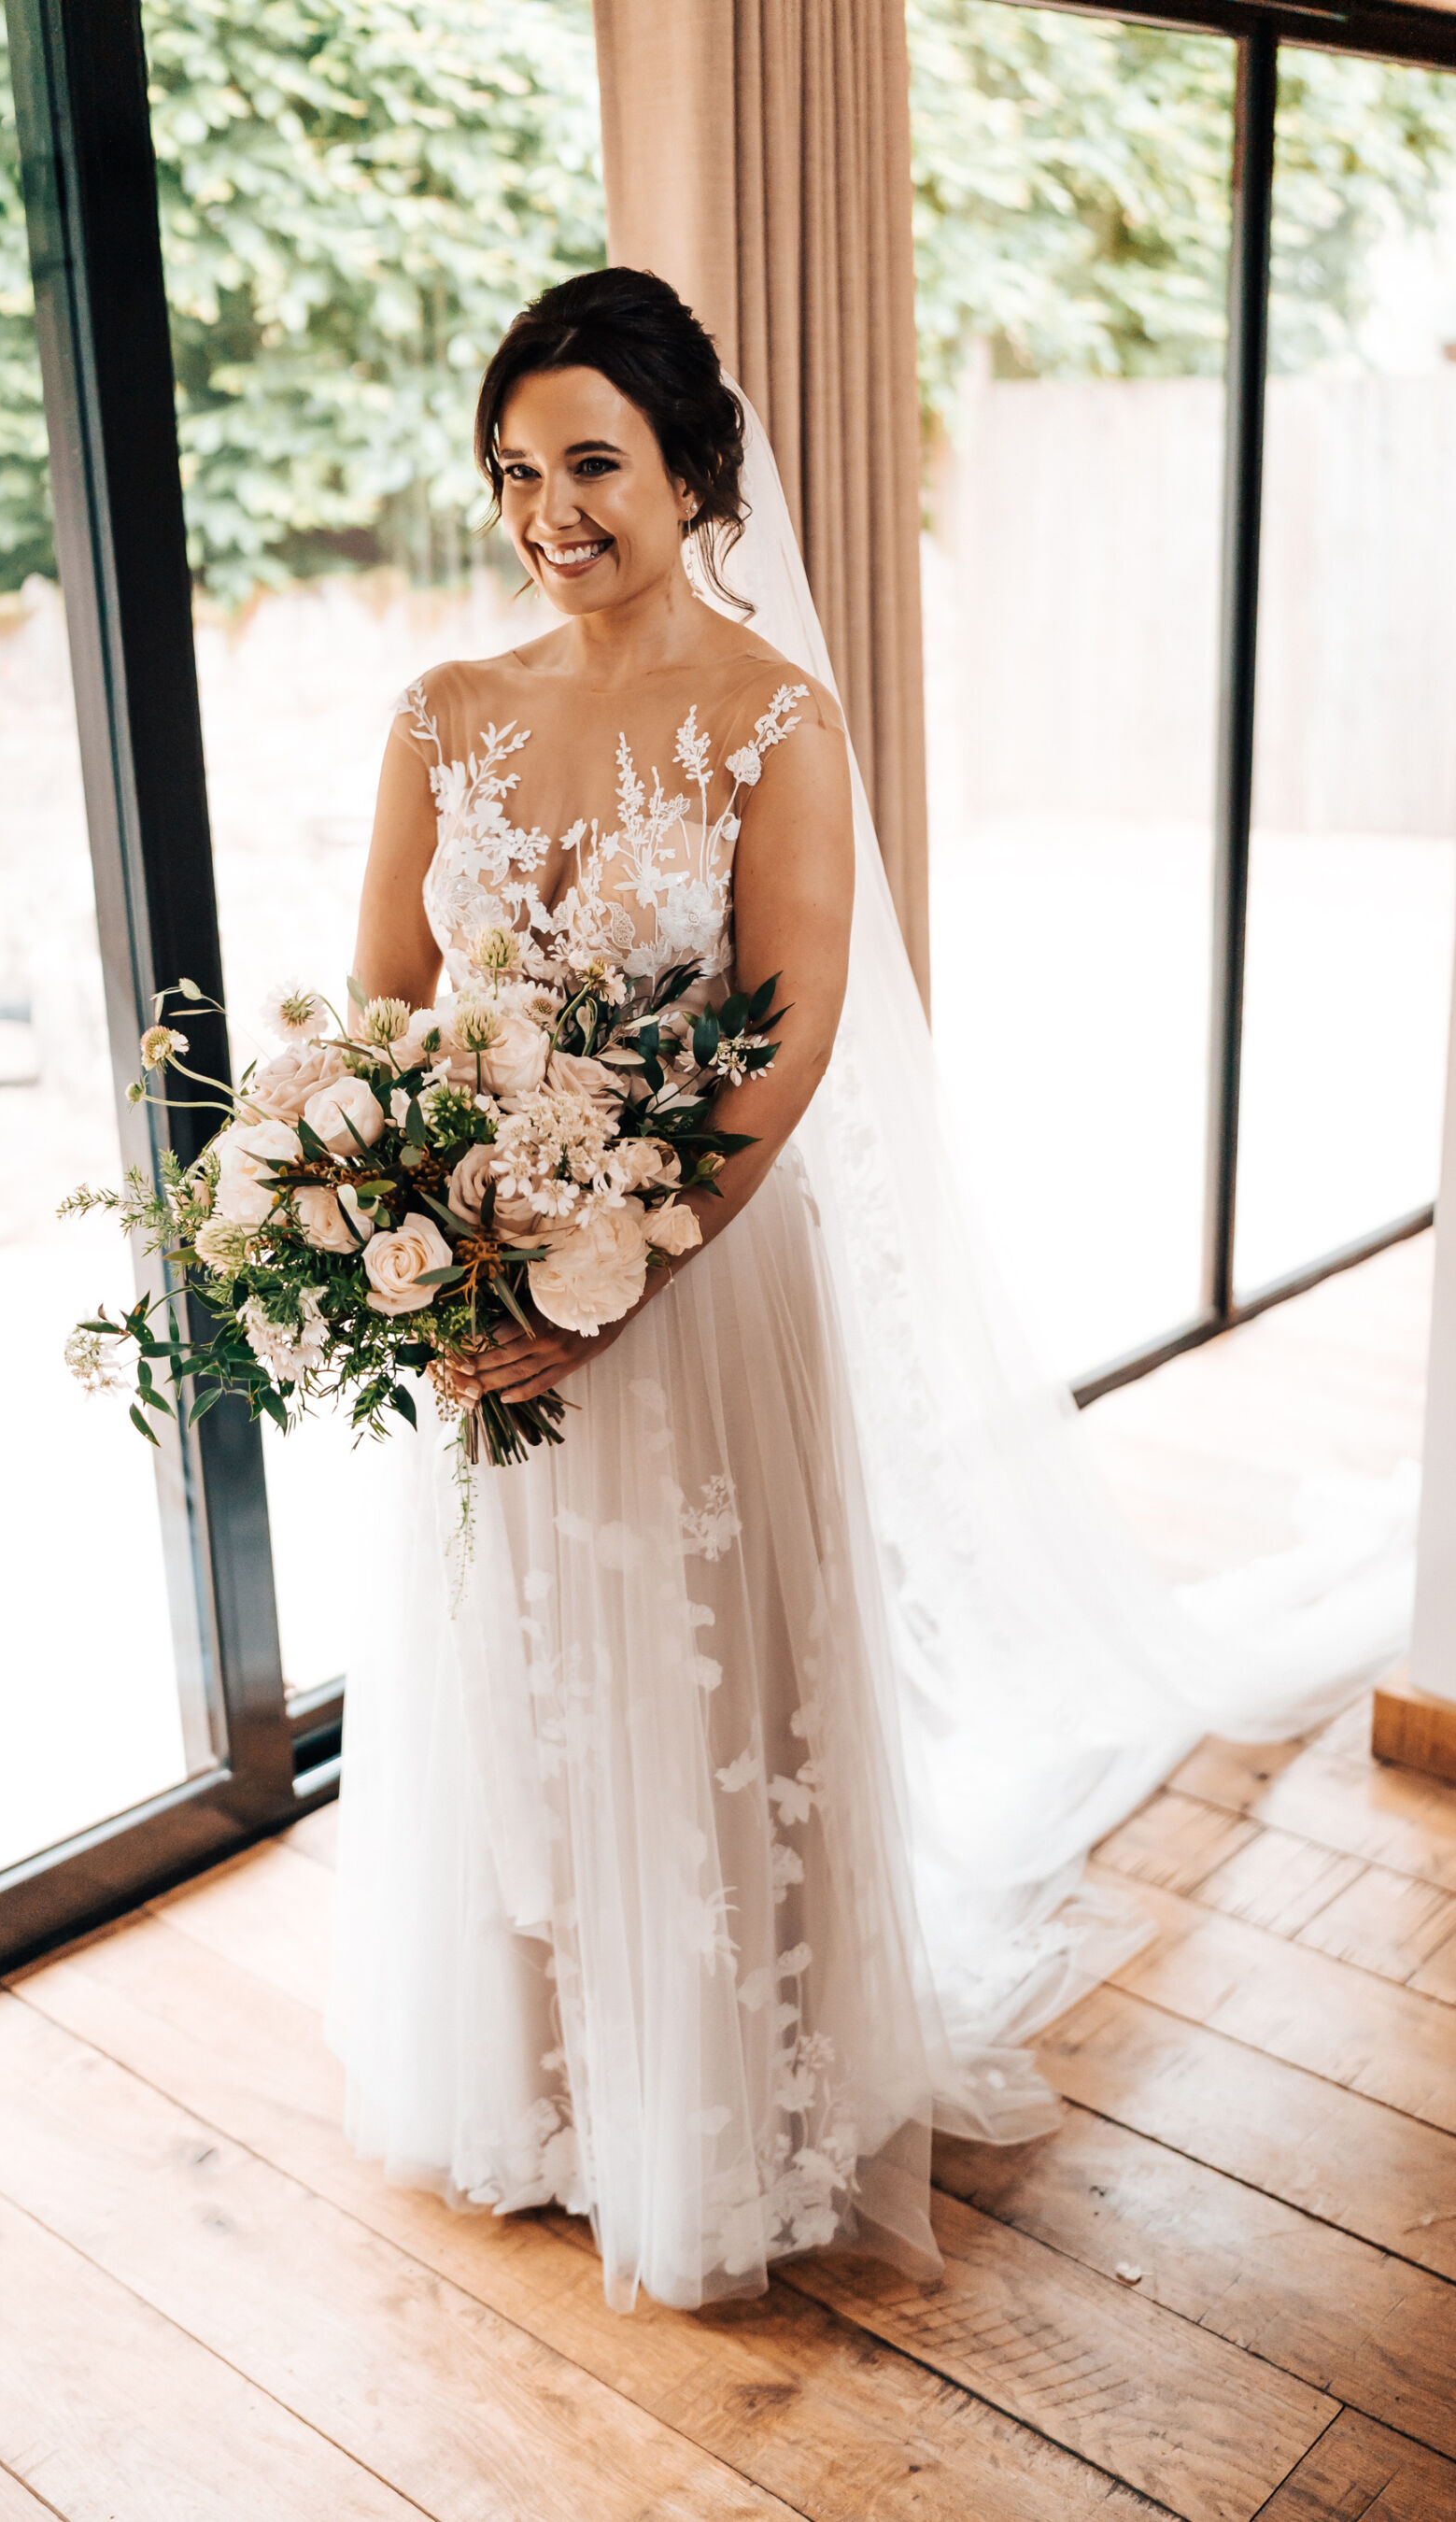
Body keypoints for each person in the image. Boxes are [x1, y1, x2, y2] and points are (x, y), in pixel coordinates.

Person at [328, 266, 1412, 2314]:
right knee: (523, 1683)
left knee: (704, 1679)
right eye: (514, 471)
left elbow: (790, 1028)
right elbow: (387, 1003)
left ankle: (732, 2105)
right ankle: (549, 2084)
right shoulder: (441, 716)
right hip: (489, 1304)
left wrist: (617, 1274)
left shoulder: (769, 716)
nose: (551, 509)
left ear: (689, 468)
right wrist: (430, 1233)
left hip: (698, 1295)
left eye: (592, 463)